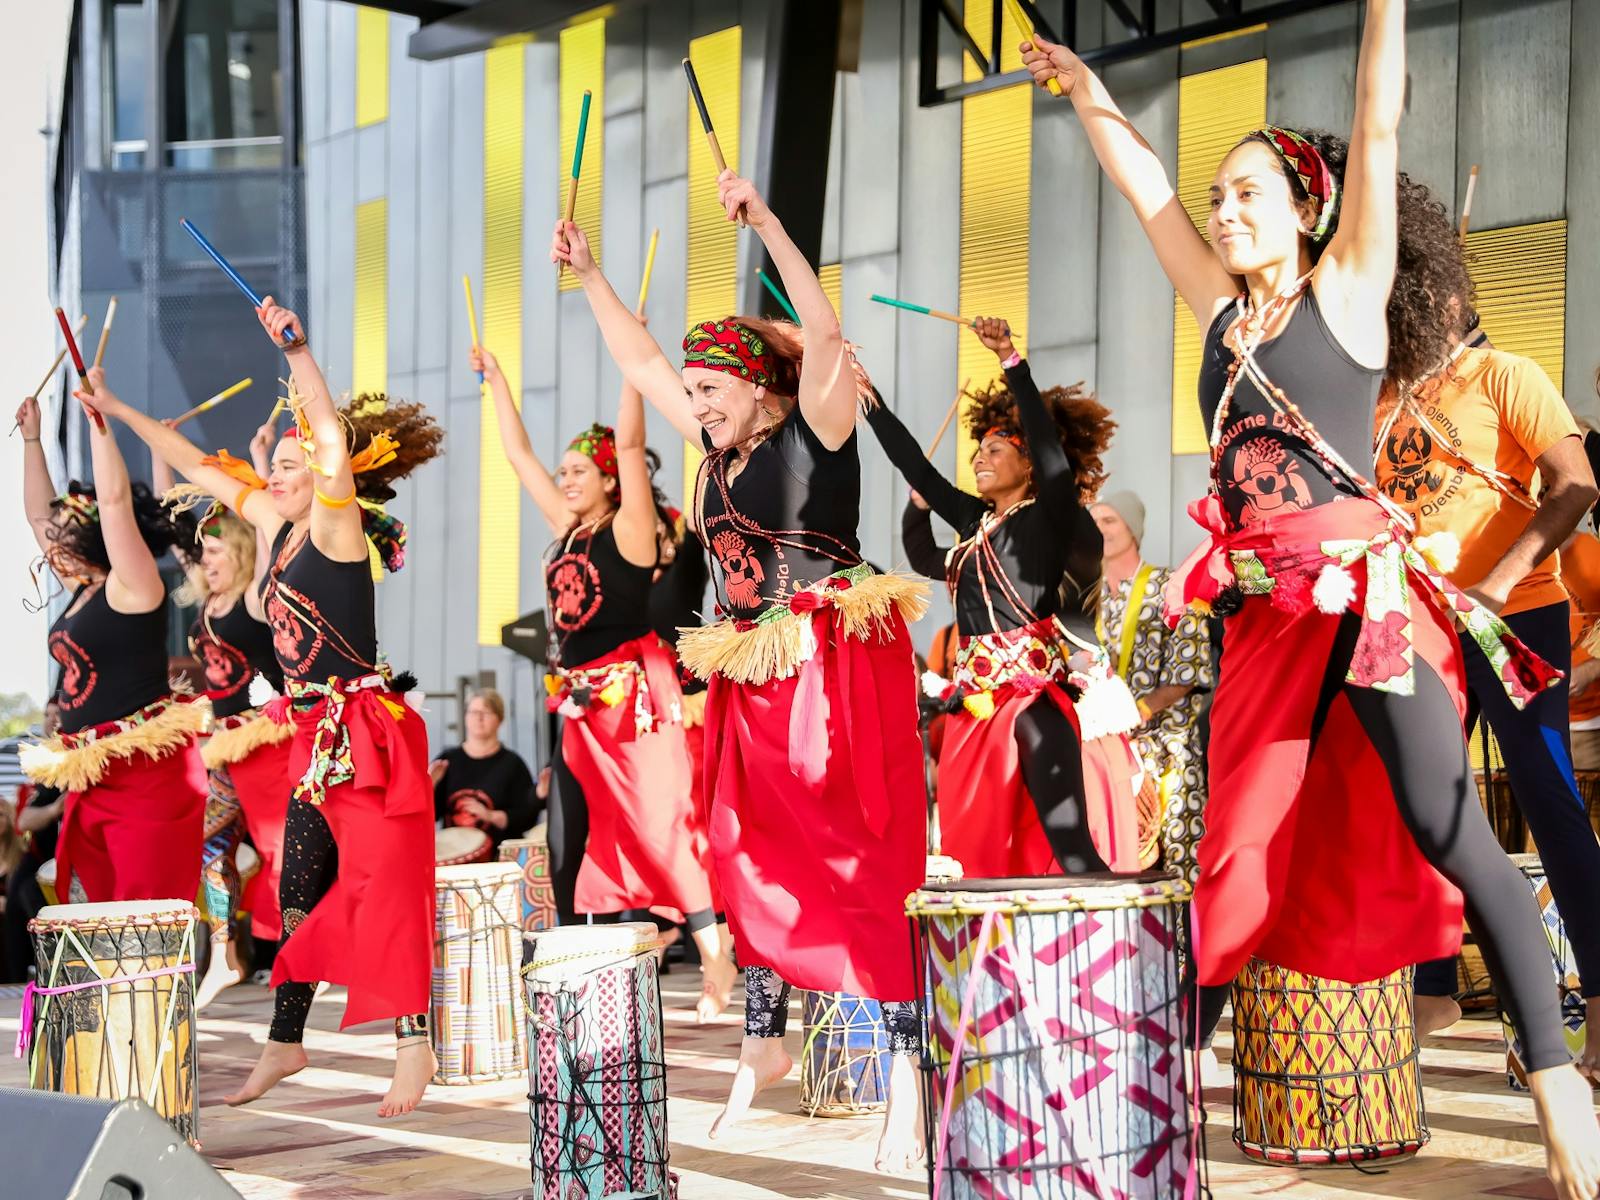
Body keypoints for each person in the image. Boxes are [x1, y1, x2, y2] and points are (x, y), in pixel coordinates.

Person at [1020, 4, 1600, 1194]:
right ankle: (1149, 1108)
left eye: (1248, 194)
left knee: (1454, 832)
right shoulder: (1222, 318)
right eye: (1219, 196)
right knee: (1232, 847)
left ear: (1309, 211)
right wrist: (1087, 91)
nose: (1223, 211)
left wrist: (1382, 6)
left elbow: (1375, 128)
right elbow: (1146, 199)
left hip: (1366, 604)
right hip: (1267, 620)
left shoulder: (1346, 293)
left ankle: (1558, 1093)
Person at [556, 172, 929, 1170]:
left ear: (759, 389)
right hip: (750, 674)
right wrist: (590, 276)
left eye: (711, 392)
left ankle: (902, 1066)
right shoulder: (713, 454)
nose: (699, 407)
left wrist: (767, 222)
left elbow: (822, 324)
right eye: (697, 396)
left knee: (856, 854)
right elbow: (638, 359)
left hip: (832, 662)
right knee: (742, 846)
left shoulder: (817, 426)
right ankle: (764, 1036)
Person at [92, 298, 444, 1118]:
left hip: (367, 731)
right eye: (275, 466)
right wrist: (114, 413)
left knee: (385, 888)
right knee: (299, 885)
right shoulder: (271, 525)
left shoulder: (333, 525)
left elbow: (326, 440)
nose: (277, 474)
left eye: (292, 464)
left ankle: (414, 1045)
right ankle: (286, 1041)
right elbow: (186, 457)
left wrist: (300, 355)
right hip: (313, 734)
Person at [1367, 185, 1600, 1059]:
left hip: (1516, 619)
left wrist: (1500, 583)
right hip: (1417, 625)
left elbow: (1576, 485)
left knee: (1547, 800)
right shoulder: (1380, 398)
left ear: (1447, 292)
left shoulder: (1509, 375)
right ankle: (1433, 989)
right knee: (1423, 806)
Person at [472, 340, 736, 1021]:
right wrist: (498, 378)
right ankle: (570, 975)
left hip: (635, 709)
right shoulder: (565, 532)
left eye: (578, 469)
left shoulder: (632, 531)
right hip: (579, 708)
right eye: (563, 471)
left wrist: (627, 366)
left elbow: (631, 444)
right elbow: (517, 458)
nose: (564, 479)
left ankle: (714, 954)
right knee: (566, 838)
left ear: (609, 479)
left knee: (661, 833)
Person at [865, 316, 1140, 878]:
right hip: (972, 708)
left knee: (1069, 851)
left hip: (1029, 702)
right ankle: (997, 965)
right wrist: (863, 395)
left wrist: (1012, 362)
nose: (979, 458)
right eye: (978, 451)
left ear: (1030, 466)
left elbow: (1048, 447)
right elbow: (914, 469)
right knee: (978, 857)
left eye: (996, 448)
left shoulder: (1047, 514)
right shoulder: (974, 522)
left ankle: (1114, 957)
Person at [14, 396, 205, 908]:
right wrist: (32, 440)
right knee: (95, 909)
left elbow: (117, 502)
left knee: (141, 910)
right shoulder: (84, 586)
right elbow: (37, 516)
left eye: (64, 531)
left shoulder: (133, 587)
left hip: (145, 772)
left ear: (98, 538)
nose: (50, 536)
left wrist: (102, 425)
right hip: (93, 774)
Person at [167, 505, 294, 1010]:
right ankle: (223, 952)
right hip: (224, 744)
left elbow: (269, 529)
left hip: (268, 742)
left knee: (281, 853)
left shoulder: (254, 597)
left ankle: (301, 951)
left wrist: (260, 472)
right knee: (207, 843)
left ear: (239, 551)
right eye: (204, 554)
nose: (206, 560)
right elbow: (177, 534)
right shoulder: (210, 600)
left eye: (216, 550)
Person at [1093, 492, 1214, 883]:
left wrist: (1135, 713)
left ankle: (1185, 941)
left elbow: (1190, 667)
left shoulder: (1171, 586)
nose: (1100, 530)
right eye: (1094, 522)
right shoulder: (1082, 595)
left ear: (1133, 528)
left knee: (1177, 855)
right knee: (1115, 853)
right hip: (1105, 750)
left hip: (1167, 746)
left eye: (1109, 520)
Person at [429, 689, 540, 852]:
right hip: (455, 856)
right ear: (465, 717)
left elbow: (527, 816)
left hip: (499, 858)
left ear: (500, 719)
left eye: (486, 712)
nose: (479, 718)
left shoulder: (512, 764)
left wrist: (490, 816)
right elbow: (431, 814)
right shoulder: (447, 761)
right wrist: (428, 786)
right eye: (473, 712)